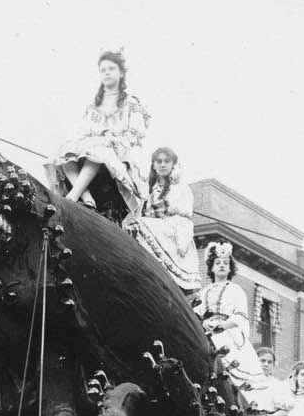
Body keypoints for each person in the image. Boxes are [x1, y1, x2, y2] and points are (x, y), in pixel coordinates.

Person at [45, 50, 150, 217]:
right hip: (94, 146)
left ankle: (73, 196)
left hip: (121, 152)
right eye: (103, 70)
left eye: (111, 68)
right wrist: (92, 139)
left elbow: (132, 136)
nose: (107, 72)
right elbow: (83, 132)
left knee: (99, 151)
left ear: (121, 73)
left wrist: (108, 139)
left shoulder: (130, 103)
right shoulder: (94, 106)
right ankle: (86, 195)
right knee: (65, 150)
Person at [191, 240, 273, 404]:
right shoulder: (204, 292)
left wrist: (222, 325)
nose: (221, 266)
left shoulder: (235, 290)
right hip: (206, 330)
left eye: (225, 263)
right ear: (211, 267)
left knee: (225, 357)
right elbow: (196, 313)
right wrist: (202, 322)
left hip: (227, 332)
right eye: (217, 263)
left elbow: (240, 316)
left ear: (230, 268)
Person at [124, 147, 198, 291]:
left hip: (171, 232)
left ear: (173, 165)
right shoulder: (149, 189)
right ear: (153, 164)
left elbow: (183, 219)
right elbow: (140, 212)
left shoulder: (181, 188)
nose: (162, 165)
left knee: (142, 224)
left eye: (166, 161)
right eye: (159, 161)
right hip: (153, 227)